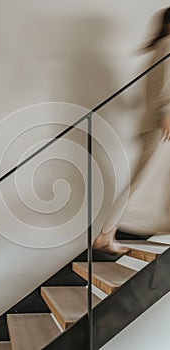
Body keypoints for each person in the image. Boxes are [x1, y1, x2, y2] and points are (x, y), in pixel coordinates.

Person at [93, 7, 170, 254]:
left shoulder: (161, 47)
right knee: (142, 182)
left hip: (157, 125)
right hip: (163, 127)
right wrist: (167, 112)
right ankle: (105, 235)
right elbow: (167, 85)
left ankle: (111, 233)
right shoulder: (169, 45)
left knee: (155, 185)